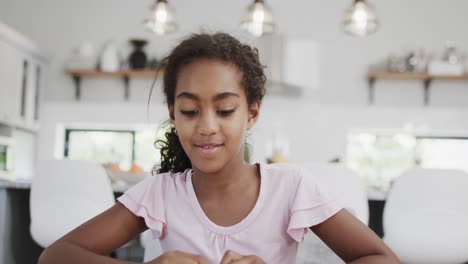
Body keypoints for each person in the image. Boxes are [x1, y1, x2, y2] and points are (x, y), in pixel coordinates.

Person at [39, 32, 400, 264]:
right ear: (173, 115)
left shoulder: (291, 188)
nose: (207, 126)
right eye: (190, 111)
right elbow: (56, 256)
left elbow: (381, 258)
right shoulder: (160, 193)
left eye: (225, 110)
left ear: (252, 113)